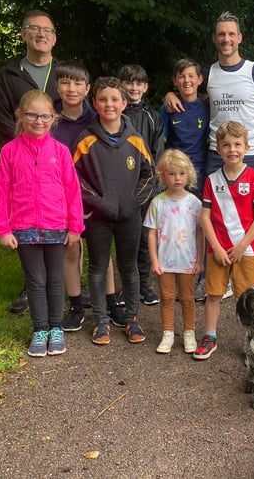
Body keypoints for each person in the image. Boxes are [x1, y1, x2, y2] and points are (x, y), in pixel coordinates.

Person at [165, 11, 254, 289]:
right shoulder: (209, 74)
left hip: (250, 154)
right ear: (214, 38)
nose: (226, 39)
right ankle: (210, 276)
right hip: (216, 153)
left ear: (239, 38)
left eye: (231, 34)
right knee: (213, 215)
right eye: (221, 34)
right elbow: (190, 93)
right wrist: (169, 96)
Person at [0, 90, 84, 357]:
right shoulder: (9, 152)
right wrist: (2, 228)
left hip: (56, 226)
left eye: (44, 116)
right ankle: (39, 329)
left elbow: (72, 191)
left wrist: (75, 226)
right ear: (21, 115)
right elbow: (0, 190)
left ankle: (56, 329)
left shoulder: (61, 152)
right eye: (32, 115)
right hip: (24, 229)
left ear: (53, 118)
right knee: (35, 280)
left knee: (55, 280)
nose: (38, 121)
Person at [73, 77, 155, 345]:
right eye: (103, 99)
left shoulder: (135, 139)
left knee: (129, 268)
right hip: (98, 218)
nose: (109, 104)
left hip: (129, 217)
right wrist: (98, 202)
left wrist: (134, 202)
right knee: (97, 268)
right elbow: (75, 179)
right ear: (94, 102)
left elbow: (149, 176)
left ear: (123, 103)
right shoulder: (85, 140)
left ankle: (132, 319)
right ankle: (100, 321)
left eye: (114, 99)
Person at [0, 9, 60, 315]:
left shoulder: (63, 73)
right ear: (23, 34)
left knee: (67, 223)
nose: (41, 34)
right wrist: (24, 150)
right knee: (26, 220)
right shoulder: (9, 75)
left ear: (54, 38)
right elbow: (5, 119)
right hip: (24, 157)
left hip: (59, 157)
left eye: (47, 30)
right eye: (34, 28)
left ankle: (72, 282)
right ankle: (29, 285)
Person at [50, 61, 123, 332]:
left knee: (101, 250)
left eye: (78, 83)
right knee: (71, 248)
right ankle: (77, 304)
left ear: (87, 88)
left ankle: (111, 301)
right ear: (57, 86)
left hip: (93, 193)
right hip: (60, 195)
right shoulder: (50, 119)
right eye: (65, 83)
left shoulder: (97, 117)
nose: (71, 89)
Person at [195, 121, 254, 360]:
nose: (232, 149)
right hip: (218, 249)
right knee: (214, 294)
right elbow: (205, 217)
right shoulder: (211, 180)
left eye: (237, 144)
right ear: (218, 149)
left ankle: (253, 340)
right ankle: (210, 336)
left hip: (245, 250)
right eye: (226, 145)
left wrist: (241, 246)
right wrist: (216, 247)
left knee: (249, 298)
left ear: (246, 147)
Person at [144, 149, 204, 354]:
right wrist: (154, 260)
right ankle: (167, 333)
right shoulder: (157, 203)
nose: (177, 178)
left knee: (187, 298)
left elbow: (199, 234)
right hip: (165, 262)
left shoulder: (195, 204)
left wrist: (200, 260)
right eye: (172, 173)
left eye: (181, 173)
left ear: (189, 175)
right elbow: (151, 233)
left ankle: (189, 332)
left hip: (188, 262)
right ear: (163, 176)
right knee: (167, 298)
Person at [119, 64, 164, 307]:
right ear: (121, 84)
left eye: (138, 83)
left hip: (148, 186)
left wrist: (154, 184)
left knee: (147, 238)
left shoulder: (153, 116)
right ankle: (126, 287)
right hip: (121, 185)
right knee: (127, 238)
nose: (134, 87)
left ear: (145, 87)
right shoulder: (115, 113)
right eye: (129, 82)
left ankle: (143, 284)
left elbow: (158, 152)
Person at [159, 58, 210, 199]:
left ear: (200, 79)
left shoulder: (208, 109)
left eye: (191, 76)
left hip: (199, 171)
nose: (187, 80)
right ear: (175, 80)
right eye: (181, 76)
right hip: (173, 171)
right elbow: (161, 142)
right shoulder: (167, 108)